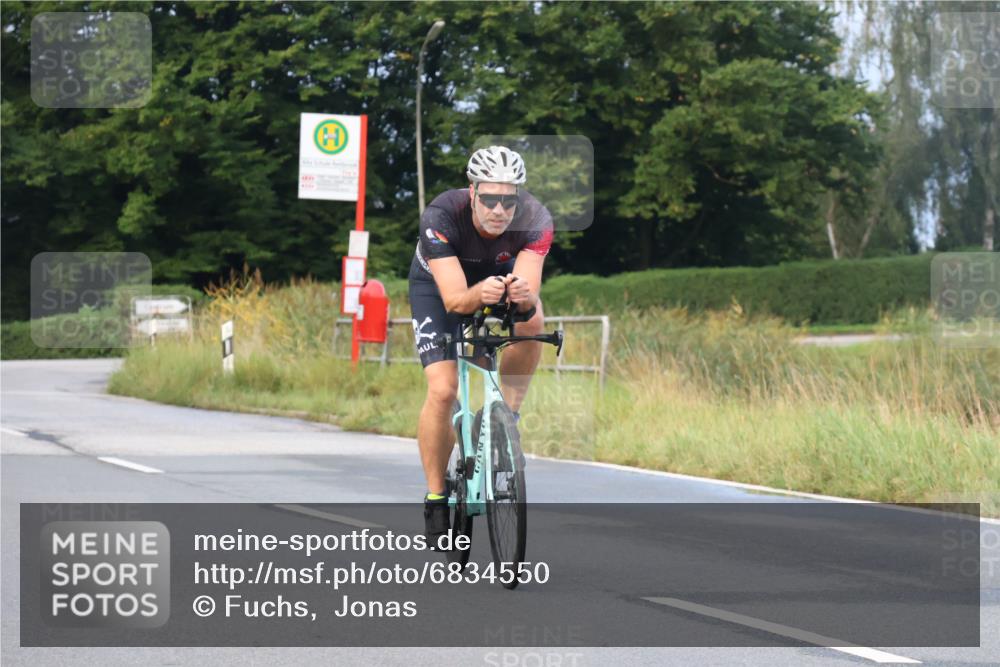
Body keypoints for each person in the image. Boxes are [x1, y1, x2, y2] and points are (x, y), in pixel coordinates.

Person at [408, 145, 554, 547]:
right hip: (439, 289)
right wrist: (481, 296)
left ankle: (507, 419)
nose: (500, 210)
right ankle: (437, 495)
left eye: (509, 200)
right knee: (443, 390)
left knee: (536, 319)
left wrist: (521, 297)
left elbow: (527, 299)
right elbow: (456, 301)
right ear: (471, 192)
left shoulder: (536, 219)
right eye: (490, 199)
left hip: (497, 283)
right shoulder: (441, 216)